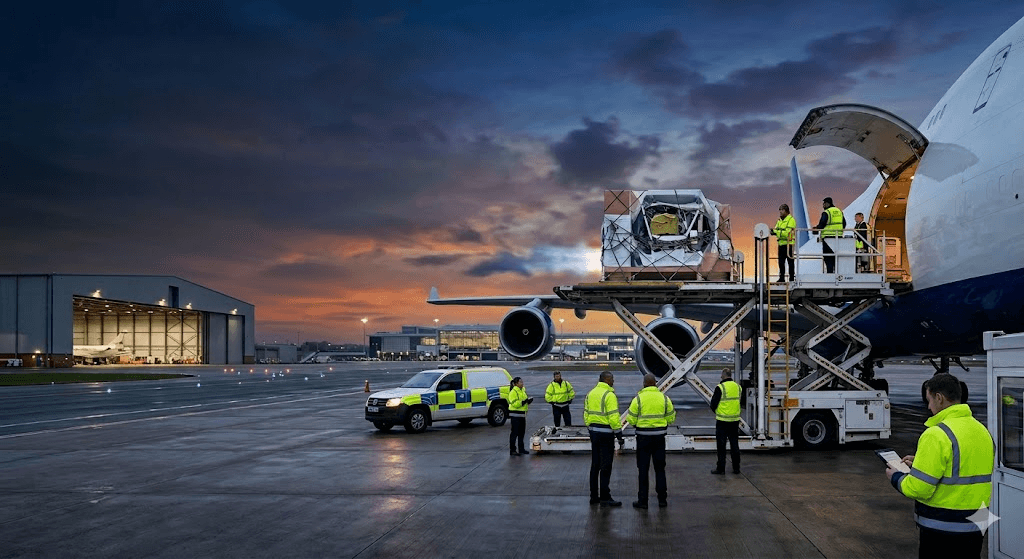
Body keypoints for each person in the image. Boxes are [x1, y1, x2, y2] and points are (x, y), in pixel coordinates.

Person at [886, 373, 994, 558]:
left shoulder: (936, 434)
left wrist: (895, 477)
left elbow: (918, 489)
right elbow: (962, 466)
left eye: (929, 400)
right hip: (976, 526)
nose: (928, 407)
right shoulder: (982, 431)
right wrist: (921, 463)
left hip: (941, 529)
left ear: (939, 398)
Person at [626, 373, 676, 509]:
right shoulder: (664, 398)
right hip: (659, 437)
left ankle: (643, 501)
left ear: (644, 384)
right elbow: (671, 418)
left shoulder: (638, 399)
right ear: (655, 384)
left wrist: (638, 424)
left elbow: (630, 419)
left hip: (643, 438)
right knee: (660, 469)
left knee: (643, 470)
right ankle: (662, 500)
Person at [584, 371, 624, 507]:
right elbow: (613, 418)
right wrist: (619, 434)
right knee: (606, 467)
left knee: (595, 465)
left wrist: (590, 427)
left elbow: (586, 413)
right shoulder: (609, 395)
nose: (613, 381)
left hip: (594, 433)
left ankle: (593, 496)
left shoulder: (591, 393)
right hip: (606, 434)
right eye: (612, 379)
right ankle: (605, 497)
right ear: (607, 380)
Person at [709, 368, 741, 474]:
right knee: (734, 444)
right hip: (735, 420)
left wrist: (718, 411)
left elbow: (713, 404)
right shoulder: (738, 387)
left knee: (721, 446)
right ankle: (736, 468)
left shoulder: (720, 387)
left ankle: (721, 468)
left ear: (723, 375)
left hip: (722, 420)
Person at [812, 197, 846, 273]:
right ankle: (837, 272)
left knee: (828, 257)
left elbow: (822, 224)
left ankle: (830, 273)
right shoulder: (839, 211)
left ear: (827, 204)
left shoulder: (827, 212)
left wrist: (816, 228)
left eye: (824, 204)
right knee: (836, 257)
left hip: (828, 238)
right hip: (838, 237)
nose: (823, 206)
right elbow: (844, 223)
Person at [507, 377, 533, 456]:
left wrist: (527, 402)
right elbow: (514, 403)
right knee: (514, 433)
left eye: (522, 382)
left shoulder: (522, 390)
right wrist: (524, 402)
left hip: (522, 415)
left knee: (522, 433)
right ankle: (513, 450)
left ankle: (521, 449)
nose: (522, 383)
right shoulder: (513, 392)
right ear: (516, 384)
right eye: (520, 382)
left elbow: (523, 401)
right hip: (515, 415)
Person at [771, 204, 796, 282]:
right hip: (781, 244)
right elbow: (775, 230)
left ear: (786, 211)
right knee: (781, 263)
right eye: (780, 210)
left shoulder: (791, 220)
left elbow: (787, 233)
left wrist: (776, 232)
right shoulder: (779, 221)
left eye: (782, 210)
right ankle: (782, 278)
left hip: (789, 244)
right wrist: (775, 232)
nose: (780, 212)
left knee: (790, 262)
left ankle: (791, 278)